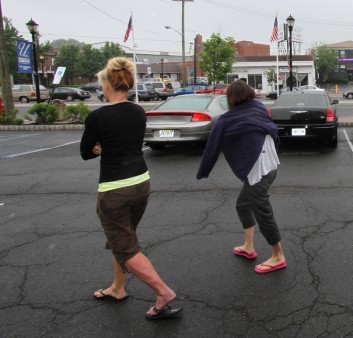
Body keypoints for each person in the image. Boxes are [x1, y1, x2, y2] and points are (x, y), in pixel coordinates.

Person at [80, 57, 182, 320]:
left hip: (115, 189)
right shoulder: (138, 111)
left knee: (126, 247)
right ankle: (117, 287)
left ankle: (163, 292)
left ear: (107, 84)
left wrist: (100, 148)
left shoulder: (98, 116)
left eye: (102, 82)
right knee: (124, 237)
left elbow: (85, 153)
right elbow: (130, 143)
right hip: (141, 183)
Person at [196, 80, 286, 274]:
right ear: (250, 95)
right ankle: (248, 246)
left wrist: (203, 171)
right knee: (243, 205)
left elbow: (212, 148)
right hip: (271, 165)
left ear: (230, 98)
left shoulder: (226, 120)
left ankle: (278, 256)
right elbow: (271, 129)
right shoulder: (259, 107)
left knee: (263, 212)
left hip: (258, 171)